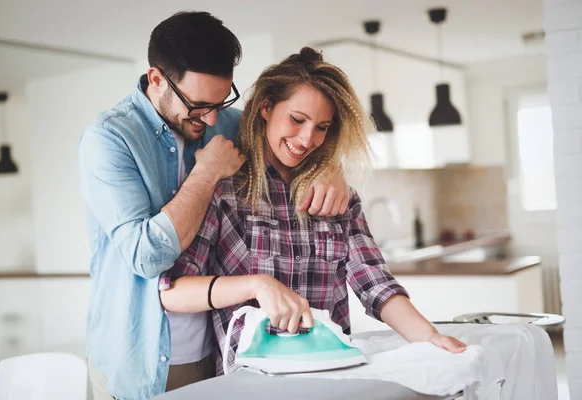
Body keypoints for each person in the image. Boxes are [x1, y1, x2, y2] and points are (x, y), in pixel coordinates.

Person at [78, 12, 350, 400]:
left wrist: (329, 169)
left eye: (221, 102)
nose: (210, 118)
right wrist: (205, 174)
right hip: (136, 358)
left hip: (219, 350)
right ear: (157, 79)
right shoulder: (108, 140)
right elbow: (147, 257)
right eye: (199, 104)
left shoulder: (225, 122)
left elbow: (294, 142)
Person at [159, 47, 467, 376]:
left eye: (322, 127)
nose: (307, 139)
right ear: (265, 108)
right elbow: (172, 290)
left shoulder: (337, 198)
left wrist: (429, 338)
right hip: (253, 384)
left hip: (333, 377)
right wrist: (257, 285)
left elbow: (375, 285)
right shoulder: (227, 190)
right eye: (297, 120)